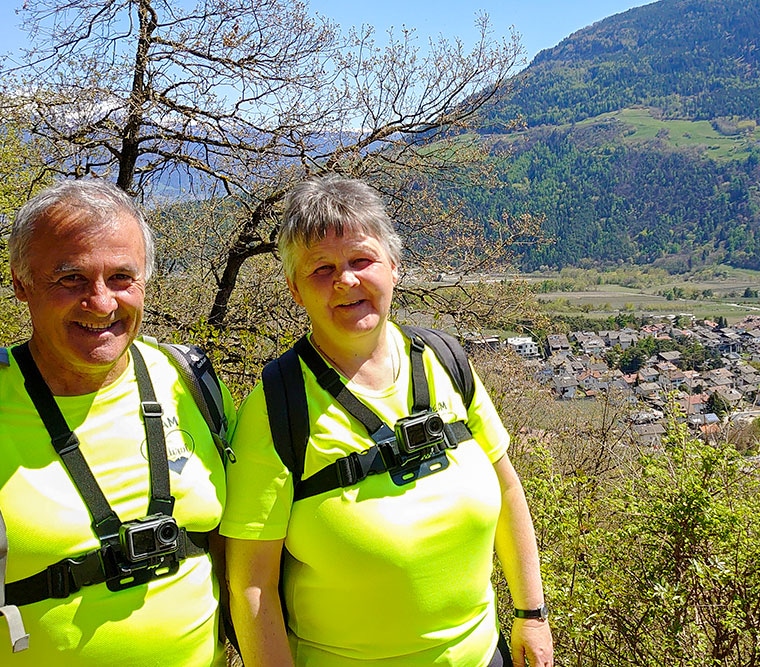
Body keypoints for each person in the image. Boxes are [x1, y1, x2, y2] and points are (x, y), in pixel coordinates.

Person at [222, 175, 554, 667]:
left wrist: (532, 613)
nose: (346, 280)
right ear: (295, 289)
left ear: (394, 266)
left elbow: (507, 489)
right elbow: (251, 583)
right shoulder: (278, 406)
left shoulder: (444, 361)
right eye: (322, 269)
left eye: (362, 260)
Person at [0, 180, 233, 665]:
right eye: (71, 279)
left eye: (122, 278)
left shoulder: (187, 380)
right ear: (20, 283)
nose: (102, 303)